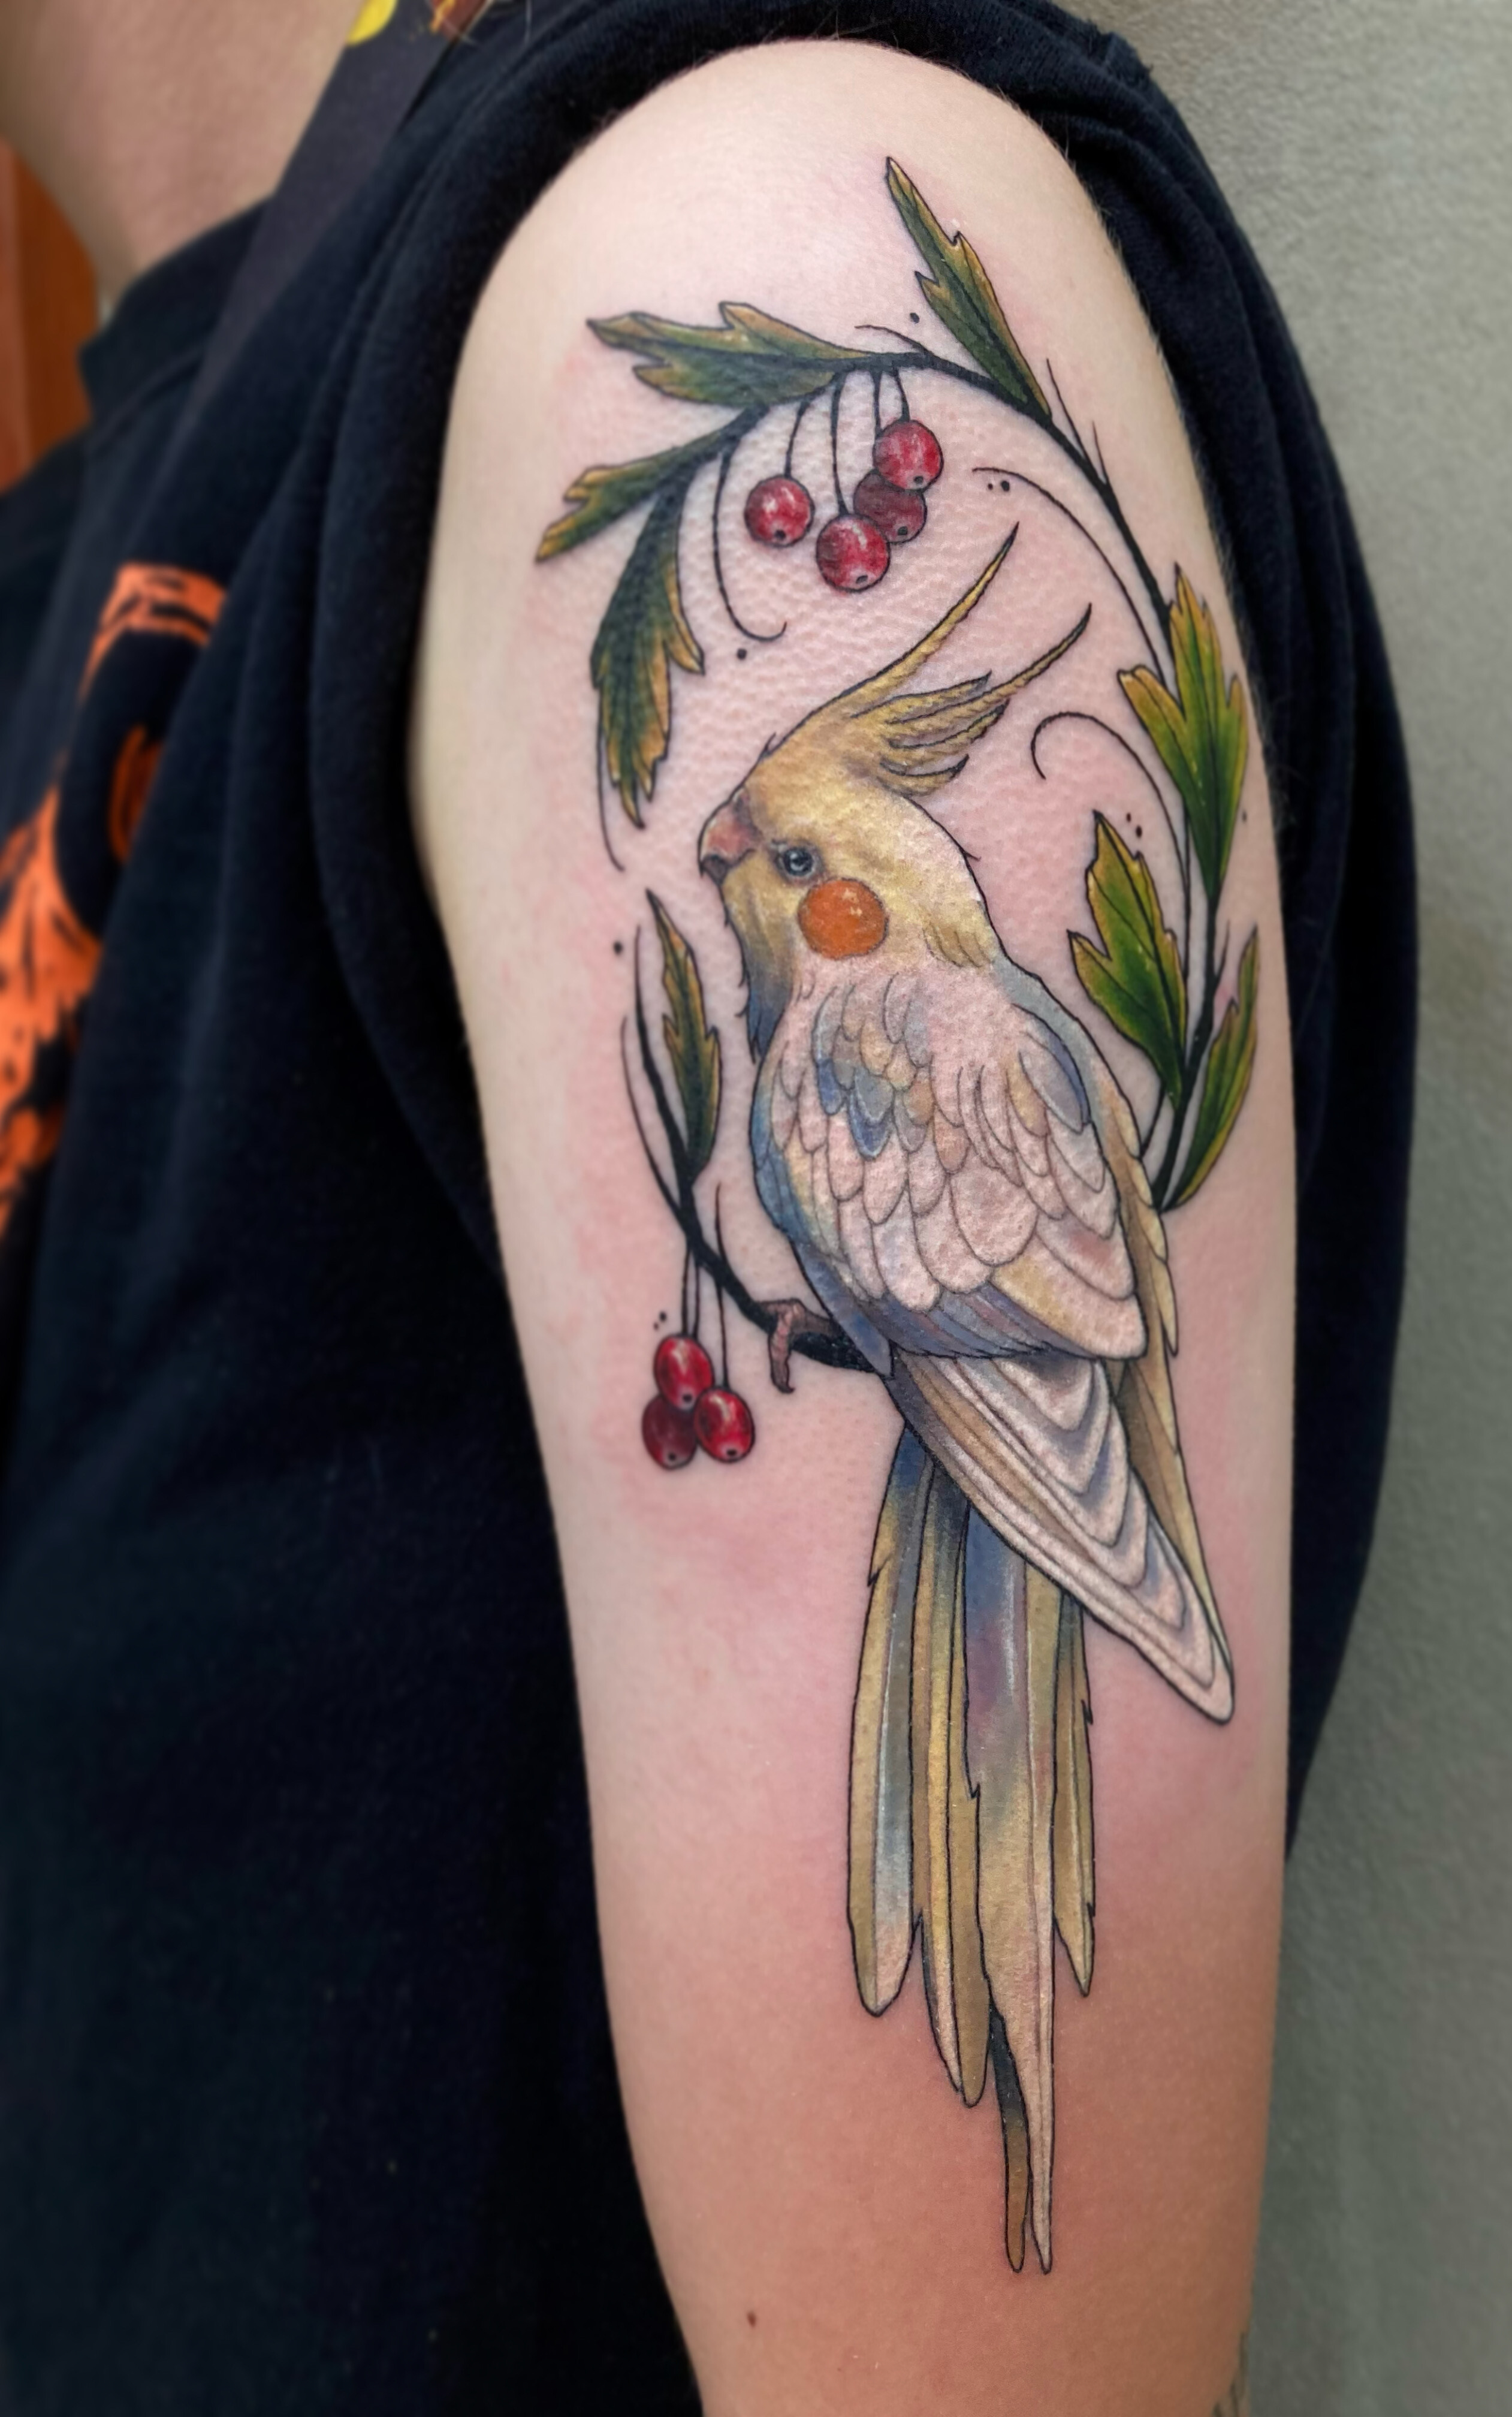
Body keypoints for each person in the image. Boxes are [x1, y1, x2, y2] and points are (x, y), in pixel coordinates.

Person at [0, 2, 1414, 2409]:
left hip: (995, 1452)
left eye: (774, 868)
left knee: (975, 1889)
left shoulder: (739, 242)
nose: (722, 881)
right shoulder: (106, 522)